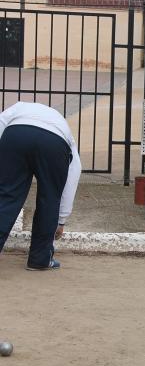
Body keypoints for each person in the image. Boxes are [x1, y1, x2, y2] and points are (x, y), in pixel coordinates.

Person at [0, 101, 81, 270]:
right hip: (54, 141)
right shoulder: (65, 131)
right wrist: (61, 220)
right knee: (50, 197)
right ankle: (39, 259)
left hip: (16, 134)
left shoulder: (18, 107)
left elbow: (1, 124)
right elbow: (72, 175)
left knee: (7, 195)